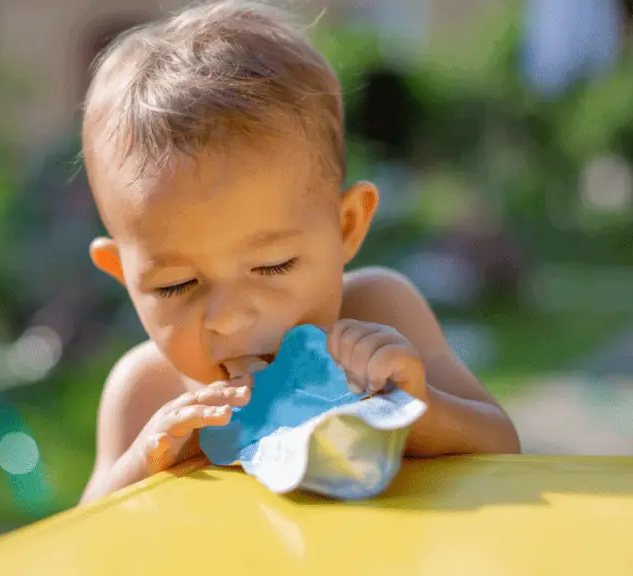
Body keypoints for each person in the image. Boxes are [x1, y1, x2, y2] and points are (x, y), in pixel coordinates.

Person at [77, 0, 520, 505]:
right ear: (123, 273)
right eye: (176, 284)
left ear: (345, 227)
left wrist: (417, 408)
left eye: (272, 265)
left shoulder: (381, 313)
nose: (231, 319)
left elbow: (502, 444)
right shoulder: (147, 390)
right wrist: (143, 463)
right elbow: (88, 529)